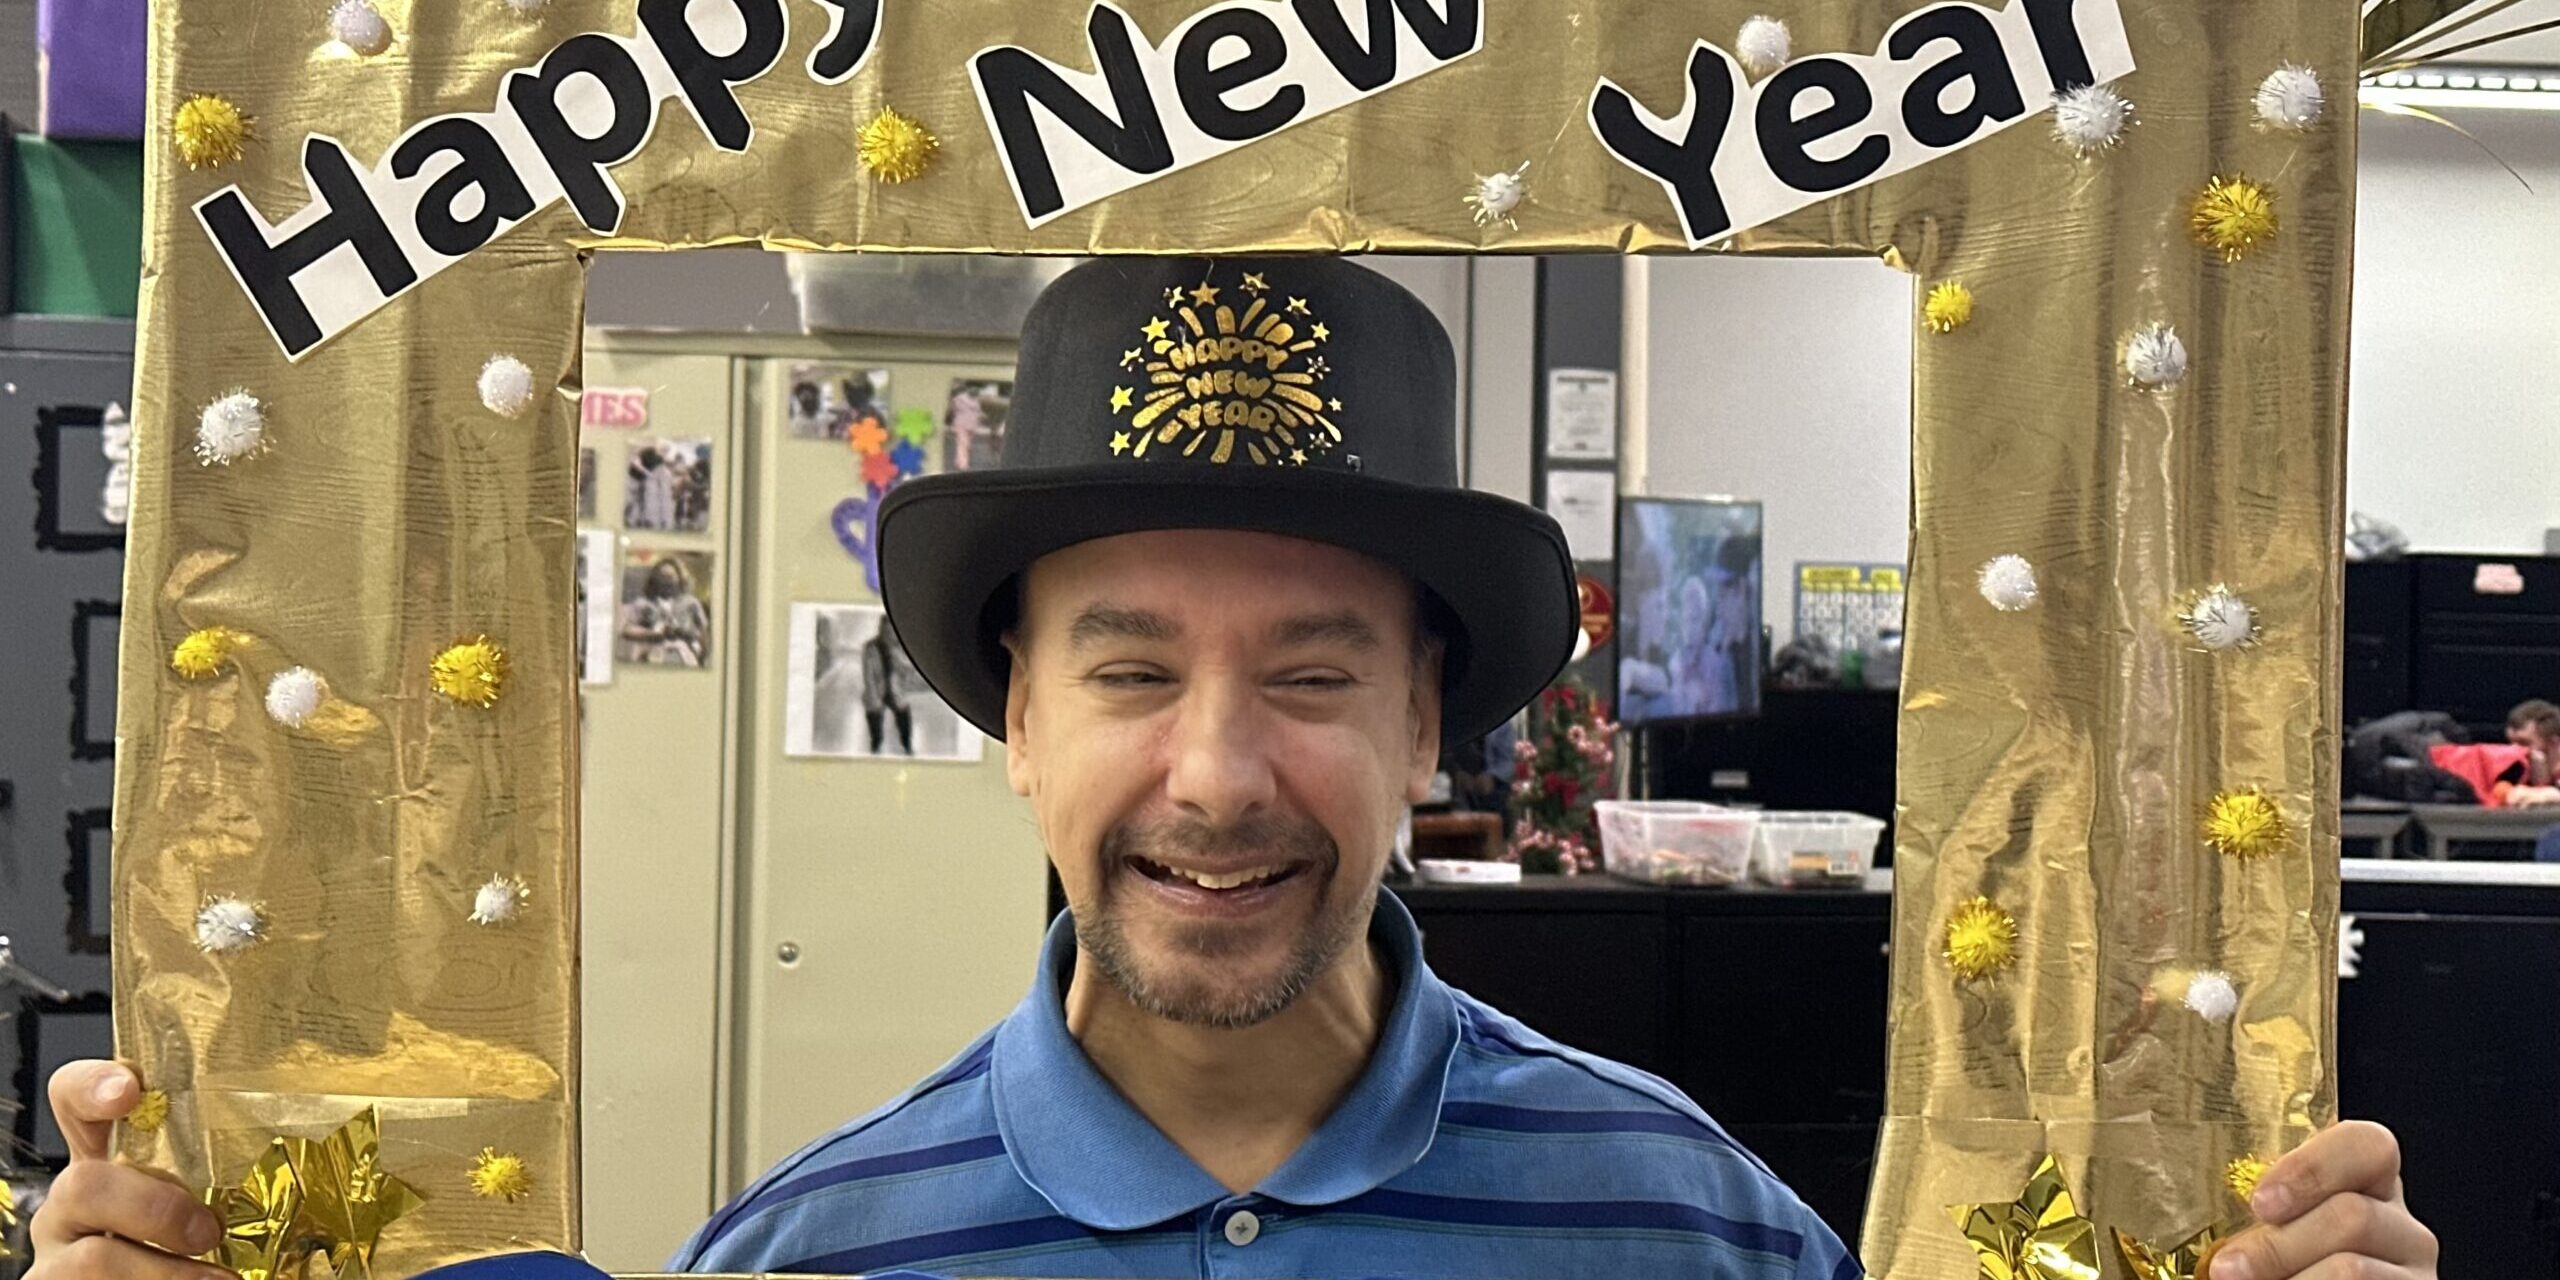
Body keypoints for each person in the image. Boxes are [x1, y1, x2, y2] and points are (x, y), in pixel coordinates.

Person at [29, 259, 2438, 1280]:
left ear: (1423, 730)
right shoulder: (814, 1251)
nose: (1213, 768)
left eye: (1309, 669)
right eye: (1122, 669)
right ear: (1012, 730)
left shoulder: (1688, 1222)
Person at [619, 558, 708, 667]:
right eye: (662, 577)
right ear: (655, 579)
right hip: (652, 657)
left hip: (686, 658)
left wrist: (701, 657)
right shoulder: (643, 603)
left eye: (671, 577)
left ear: (680, 578)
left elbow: (703, 632)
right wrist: (651, 634)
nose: (667, 581)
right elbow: (626, 630)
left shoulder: (691, 602)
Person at [861, 616, 918, 754]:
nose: (888, 633)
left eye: (891, 630)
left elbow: (910, 668)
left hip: (896, 690)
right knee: (874, 719)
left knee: (904, 717)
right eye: (885, 629)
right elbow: (868, 674)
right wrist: (873, 696)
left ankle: (907, 745)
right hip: (876, 690)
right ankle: (876, 745)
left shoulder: (901, 646)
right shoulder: (871, 647)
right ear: (880, 628)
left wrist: (896, 656)